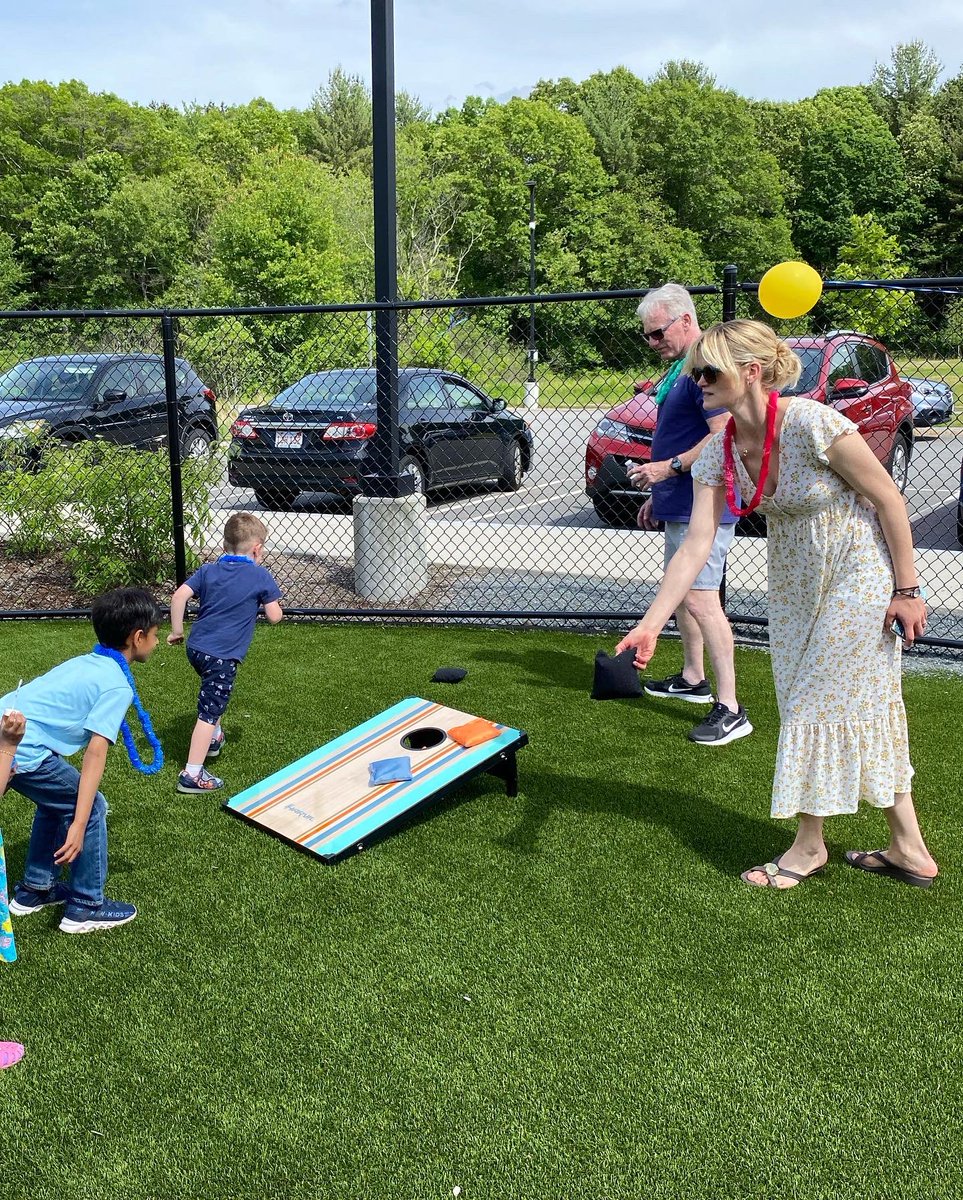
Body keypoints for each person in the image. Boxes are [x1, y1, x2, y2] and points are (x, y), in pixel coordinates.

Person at [617, 319, 938, 889]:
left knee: (815, 701)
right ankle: (908, 848)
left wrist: (907, 590)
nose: (698, 382)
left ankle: (808, 846)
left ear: (751, 372)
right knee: (830, 704)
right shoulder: (718, 449)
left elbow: (888, 498)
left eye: (708, 371)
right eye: (695, 373)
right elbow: (695, 545)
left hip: (856, 572)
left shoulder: (814, 423)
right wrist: (650, 624)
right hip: (792, 582)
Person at [628, 283, 749, 746]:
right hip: (681, 499)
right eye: (647, 337)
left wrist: (669, 467)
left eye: (657, 333)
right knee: (682, 595)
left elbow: (722, 437)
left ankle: (731, 708)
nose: (653, 343)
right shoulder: (684, 367)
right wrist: (661, 491)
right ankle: (694, 678)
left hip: (706, 504)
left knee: (700, 598)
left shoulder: (706, 367)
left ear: (684, 320)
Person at [1, 587, 162, 932]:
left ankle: (34, 889)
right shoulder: (117, 685)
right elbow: (95, 753)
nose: (157, 642)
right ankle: (86, 905)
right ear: (137, 638)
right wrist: (79, 822)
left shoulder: (87, 661)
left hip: (9, 731)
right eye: (155, 635)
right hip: (20, 747)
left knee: (58, 802)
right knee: (91, 807)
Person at [168, 512, 283, 794]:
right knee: (208, 711)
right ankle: (192, 773)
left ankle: (215, 738)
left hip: (197, 650)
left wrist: (177, 631)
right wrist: (274, 604)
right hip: (222, 656)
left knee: (213, 694)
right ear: (257, 549)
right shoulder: (260, 575)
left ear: (224, 545)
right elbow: (274, 616)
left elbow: (179, 595)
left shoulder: (208, 570)